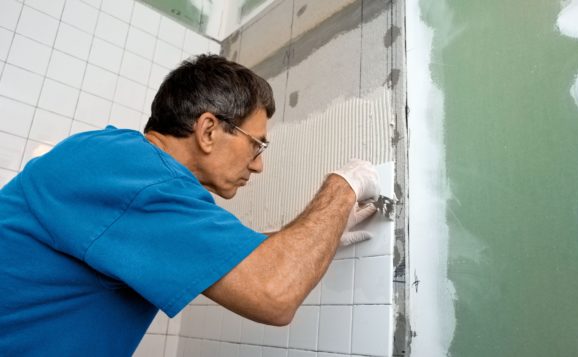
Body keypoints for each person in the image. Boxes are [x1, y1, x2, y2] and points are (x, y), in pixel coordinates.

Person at [0, 54, 380, 356]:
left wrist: (304, 241)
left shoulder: (117, 163)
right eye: (257, 144)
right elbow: (273, 295)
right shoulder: (142, 179)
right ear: (209, 130)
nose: (259, 164)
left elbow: (199, 254)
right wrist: (344, 185)